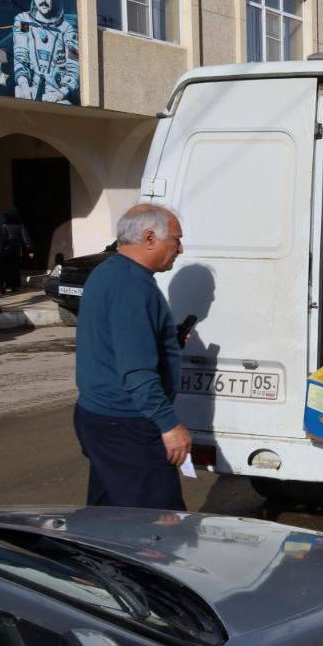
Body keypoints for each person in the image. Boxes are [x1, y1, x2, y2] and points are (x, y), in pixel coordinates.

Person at [74, 203, 191, 510]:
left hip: (99, 418)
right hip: (127, 425)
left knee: (108, 520)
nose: (180, 248)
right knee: (159, 527)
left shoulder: (108, 271)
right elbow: (137, 372)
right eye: (176, 240)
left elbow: (115, 338)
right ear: (150, 238)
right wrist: (170, 425)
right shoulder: (133, 287)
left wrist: (165, 338)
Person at [13, 0, 79, 104]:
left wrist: (62, 92)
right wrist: (24, 85)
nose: (42, 0)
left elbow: (73, 65)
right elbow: (20, 54)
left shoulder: (66, 29)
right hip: (28, 90)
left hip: (55, 93)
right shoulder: (23, 21)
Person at [0, 208, 35, 294]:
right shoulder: (20, 225)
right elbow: (25, 238)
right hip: (15, 250)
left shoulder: (2, 225)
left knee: (2, 269)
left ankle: (2, 287)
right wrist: (30, 250)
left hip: (3, 250)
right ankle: (13, 286)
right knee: (13, 269)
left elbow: (1, 238)